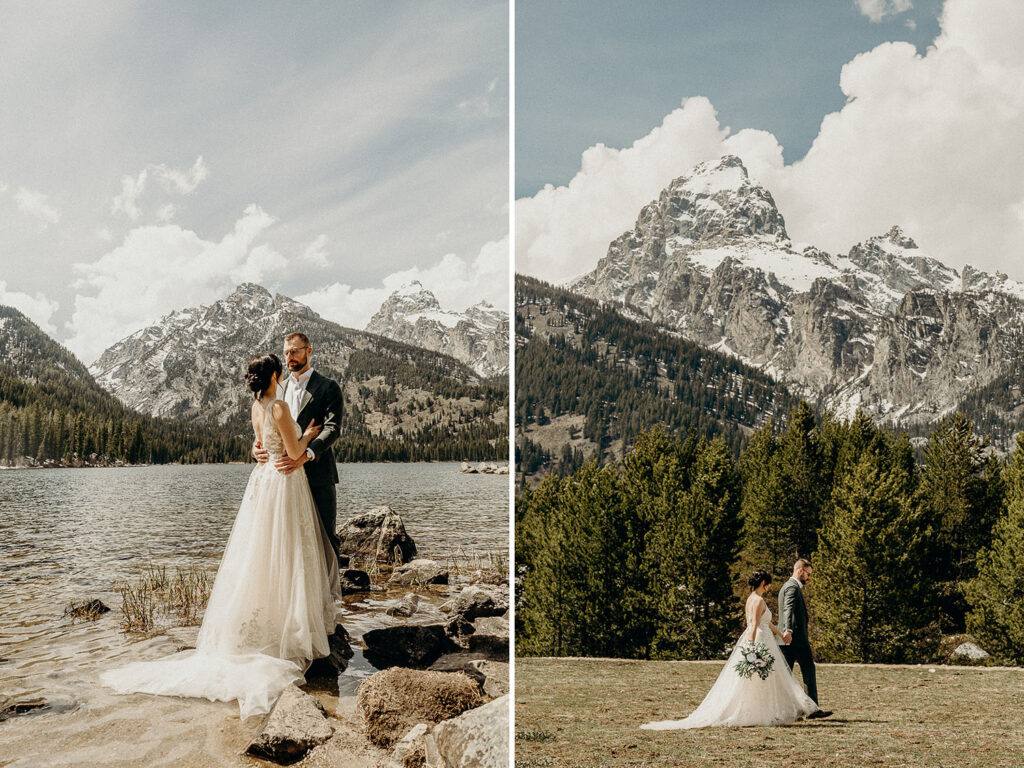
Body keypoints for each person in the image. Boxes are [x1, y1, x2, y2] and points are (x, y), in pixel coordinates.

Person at [101, 353, 342, 718]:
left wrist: (271, 445)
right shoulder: (278, 407)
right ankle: (290, 626)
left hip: (261, 484)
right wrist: (307, 434)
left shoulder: (255, 407)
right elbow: (293, 452)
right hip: (283, 483)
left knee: (259, 555)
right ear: (276, 375)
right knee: (287, 553)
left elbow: (260, 446)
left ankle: (261, 623)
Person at [640, 569, 819, 729]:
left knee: (767, 679)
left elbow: (767, 623)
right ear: (764, 583)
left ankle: (774, 709)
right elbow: (755, 626)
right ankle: (763, 712)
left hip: (765, 640)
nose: (769, 588)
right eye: (768, 585)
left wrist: (780, 634)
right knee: (762, 678)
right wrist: (752, 649)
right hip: (759, 642)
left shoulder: (753, 599)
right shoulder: (757, 600)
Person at [254, 333, 343, 568]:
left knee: (325, 535)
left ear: (308, 351)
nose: (289, 357)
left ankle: (334, 598)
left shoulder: (328, 387)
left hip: (318, 473)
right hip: (284, 478)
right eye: (285, 353)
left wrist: (306, 455)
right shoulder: (277, 389)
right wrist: (256, 446)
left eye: (294, 351)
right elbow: (267, 426)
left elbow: (332, 429)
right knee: (287, 538)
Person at [778, 558, 832, 719]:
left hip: (786, 640)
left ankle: (786, 710)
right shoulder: (792, 588)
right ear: (800, 571)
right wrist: (788, 630)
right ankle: (812, 709)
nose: (809, 578)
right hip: (795, 639)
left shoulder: (787, 587)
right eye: (808, 574)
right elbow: (788, 609)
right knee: (808, 669)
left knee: (786, 676)